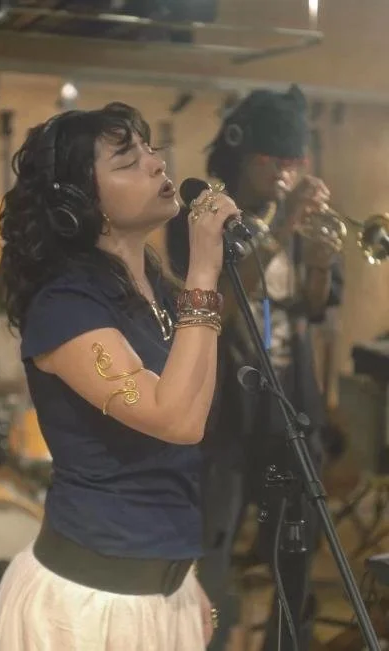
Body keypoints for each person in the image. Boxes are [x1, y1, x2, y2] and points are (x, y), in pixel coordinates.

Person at [0, 101, 242, 651]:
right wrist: (204, 268)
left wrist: (182, 578)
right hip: (87, 607)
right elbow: (176, 421)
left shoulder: (163, 294)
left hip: (165, 587)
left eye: (151, 149)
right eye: (128, 161)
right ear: (84, 203)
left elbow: (190, 439)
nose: (157, 163)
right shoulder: (66, 306)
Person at [166, 84, 344, 650]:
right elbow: (215, 305)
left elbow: (311, 308)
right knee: (209, 554)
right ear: (244, 156)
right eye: (275, 160)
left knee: (295, 553)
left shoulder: (304, 219)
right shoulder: (201, 217)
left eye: (295, 161)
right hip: (223, 412)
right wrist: (281, 227)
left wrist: (320, 264)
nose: (287, 173)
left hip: (290, 409)